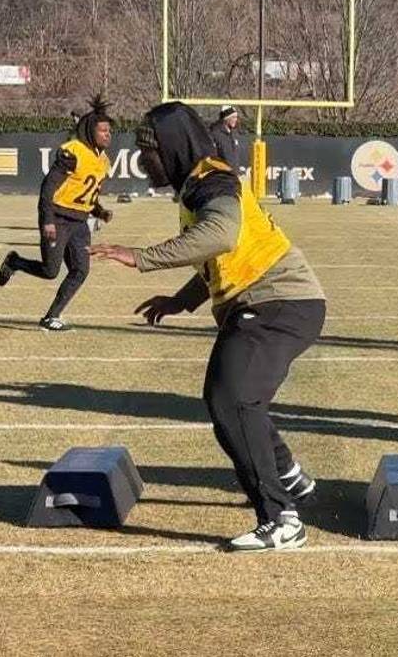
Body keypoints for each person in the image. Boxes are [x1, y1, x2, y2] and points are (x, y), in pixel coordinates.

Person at [90, 102, 323, 552]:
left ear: (175, 147)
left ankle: (280, 519)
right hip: (273, 302)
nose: (144, 160)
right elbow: (217, 258)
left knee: (229, 398)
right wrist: (180, 300)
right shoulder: (198, 183)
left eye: (150, 150)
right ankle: (292, 479)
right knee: (239, 398)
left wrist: (140, 256)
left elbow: (220, 236)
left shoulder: (211, 180)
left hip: (279, 302)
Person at [0, 96, 116, 331]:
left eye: (109, 130)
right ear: (91, 131)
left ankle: (51, 317)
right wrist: (47, 220)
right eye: (103, 130)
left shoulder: (104, 161)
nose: (107, 135)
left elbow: (85, 193)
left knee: (81, 270)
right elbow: (49, 187)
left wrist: (100, 212)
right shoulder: (74, 152)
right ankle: (15, 262)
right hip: (58, 218)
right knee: (51, 271)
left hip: (80, 223)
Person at [209, 105, 245, 171]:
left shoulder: (234, 133)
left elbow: (234, 157)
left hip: (233, 174)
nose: (235, 119)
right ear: (226, 118)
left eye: (236, 117)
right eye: (233, 117)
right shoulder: (215, 133)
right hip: (221, 175)